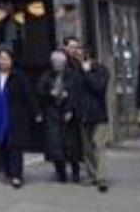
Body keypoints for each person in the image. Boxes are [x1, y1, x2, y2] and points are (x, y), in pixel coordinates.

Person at [0, 46, 38, 189]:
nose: (3, 62)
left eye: (6, 59)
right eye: (1, 58)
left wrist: (36, 112)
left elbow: (28, 95)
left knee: (15, 146)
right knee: (3, 144)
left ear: (12, 60)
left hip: (15, 116)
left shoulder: (19, 76)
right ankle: (8, 171)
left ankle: (17, 175)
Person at [38, 50, 84, 184]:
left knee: (72, 145)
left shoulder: (73, 75)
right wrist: (49, 93)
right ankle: (61, 172)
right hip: (53, 112)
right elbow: (39, 90)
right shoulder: (47, 75)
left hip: (68, 113)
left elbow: (77, 94)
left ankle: (75, 172)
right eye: (55, 62)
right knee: (55, 144)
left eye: (60, 62)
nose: (57, 65)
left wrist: (70, 106)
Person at [78, 47, 112, 193]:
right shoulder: (77, 71)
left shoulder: (102, 70)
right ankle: (92, 174)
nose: (80, 59)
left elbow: (99, 88)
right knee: (87, 149)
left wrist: (87, 73)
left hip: (99, 115)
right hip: (84, 114)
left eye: (83, 56)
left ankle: (102, 178)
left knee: (99, 146)